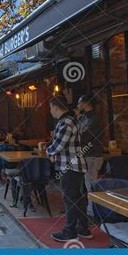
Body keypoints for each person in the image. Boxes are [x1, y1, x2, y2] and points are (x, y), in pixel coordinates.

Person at [46, 95, 90, 242]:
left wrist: (49, 151)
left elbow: (58, 145)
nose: (50, 111)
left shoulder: (66, 122)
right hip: (74, 166)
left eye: (51, 108)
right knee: (77, 198)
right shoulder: (70, 120)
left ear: (56, 108)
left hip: (70, 166)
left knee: (70, 199)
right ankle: (83, 229)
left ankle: (69, 232)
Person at [77, 94, 105, 216]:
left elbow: (85, 136)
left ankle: (93, 212)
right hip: (84, 155)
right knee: (84, 183)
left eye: (79, 102)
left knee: (91, 184)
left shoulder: (96, 119)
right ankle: (87, 209)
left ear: (85, 103)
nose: (78, 105)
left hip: (92, 155)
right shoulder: (82, 117)